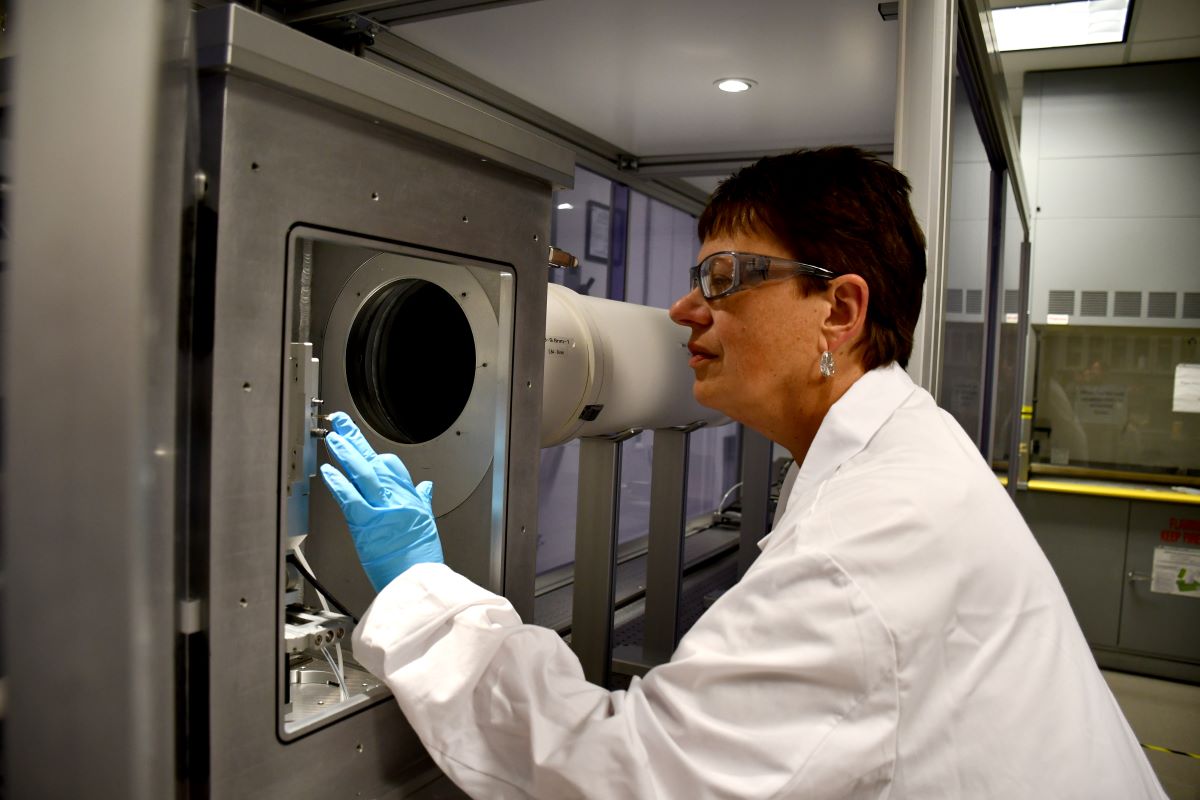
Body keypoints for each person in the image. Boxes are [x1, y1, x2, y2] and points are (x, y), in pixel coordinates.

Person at [320, 147, 1166, 799]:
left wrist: (427, 598)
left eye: (722, 278)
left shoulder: (869, 540)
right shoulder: (899, 448)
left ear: (838, 310)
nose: (686, 310)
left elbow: (627, 776)